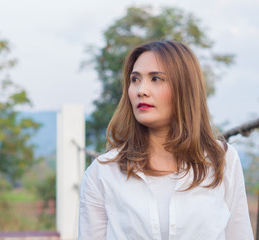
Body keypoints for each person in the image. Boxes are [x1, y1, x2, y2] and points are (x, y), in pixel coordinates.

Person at [78, 40, 254, 240]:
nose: (140, 90)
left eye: (155, 78)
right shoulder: (102, 172)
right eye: (135, 79)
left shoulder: (223, 160)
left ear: (184, 87)